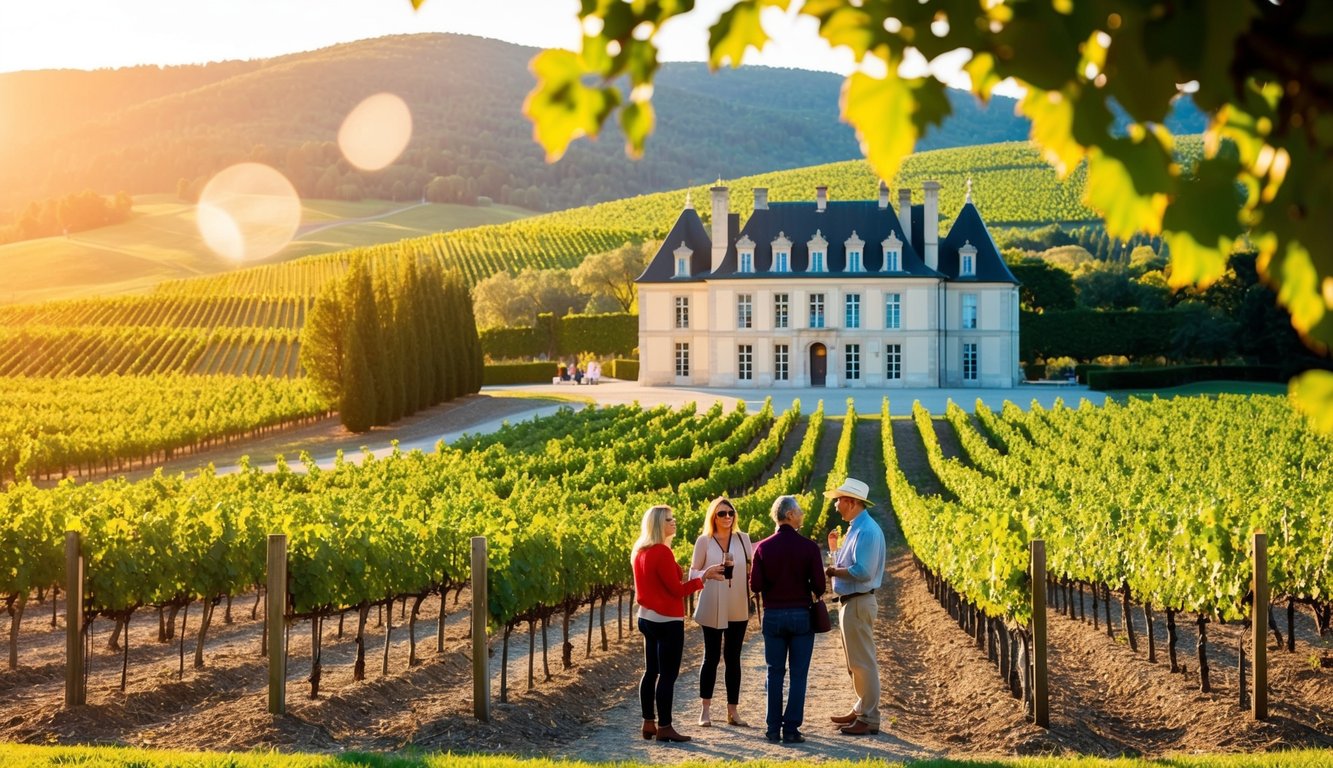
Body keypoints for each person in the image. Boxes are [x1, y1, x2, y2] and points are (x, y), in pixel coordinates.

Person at [632, 504, 725, 743]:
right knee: (667, 675)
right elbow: (677, 591)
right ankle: (665, 726)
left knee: (651, 671)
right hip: (666, 620)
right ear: (657, 525)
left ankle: (648, 722)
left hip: (646, 617)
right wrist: (704, 577)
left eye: (673, 519)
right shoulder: (662, 552)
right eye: (668, 520)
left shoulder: (640, 551)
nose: (673, 522)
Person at [748, 495, 825, 744]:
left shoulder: (763, 548)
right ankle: (791, 729)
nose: (802, 514)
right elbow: (820, 587)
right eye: (799, 511)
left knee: (774, 672)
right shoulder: (810, 548)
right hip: (802, 616)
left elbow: (756, 585)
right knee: (799, 674)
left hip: (773, 616)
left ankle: (772, 728)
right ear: (789, 515)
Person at [823, 477, 887, 736]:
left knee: (863, 662)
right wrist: (834, 551)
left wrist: (833, 570)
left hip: (859, 602)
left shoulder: (867, 531)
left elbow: (862, 571)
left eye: (838, 499)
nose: (836, 504)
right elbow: (852, 563)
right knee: (855, 663)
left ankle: (870, 717)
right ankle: (861, 708)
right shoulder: (855, 528)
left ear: (851, 502)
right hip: (852, 602)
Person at [689, 496, 754, 728]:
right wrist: (706, 572)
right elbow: (692, 573)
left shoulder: (743, 539)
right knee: (711, 657)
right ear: (713, 517)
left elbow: (752, 567)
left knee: (733, 658)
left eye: (730, 513)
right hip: (712, 603)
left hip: (737, 602)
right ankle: (705, 711)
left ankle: (732, 712)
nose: (728, 517)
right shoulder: (704, 541)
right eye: (722, 513)